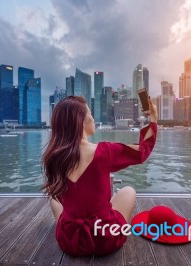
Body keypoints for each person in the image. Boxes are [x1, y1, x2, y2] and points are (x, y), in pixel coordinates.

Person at [42, 95, 158, 256]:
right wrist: (153, 119)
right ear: (81, 121)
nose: (93, 118)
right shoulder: (104, 152)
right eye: (90, 113)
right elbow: (143, 151)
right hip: (105, 238)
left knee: (53, 199)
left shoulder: (54, 157)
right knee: (129, 191)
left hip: (70, 240)